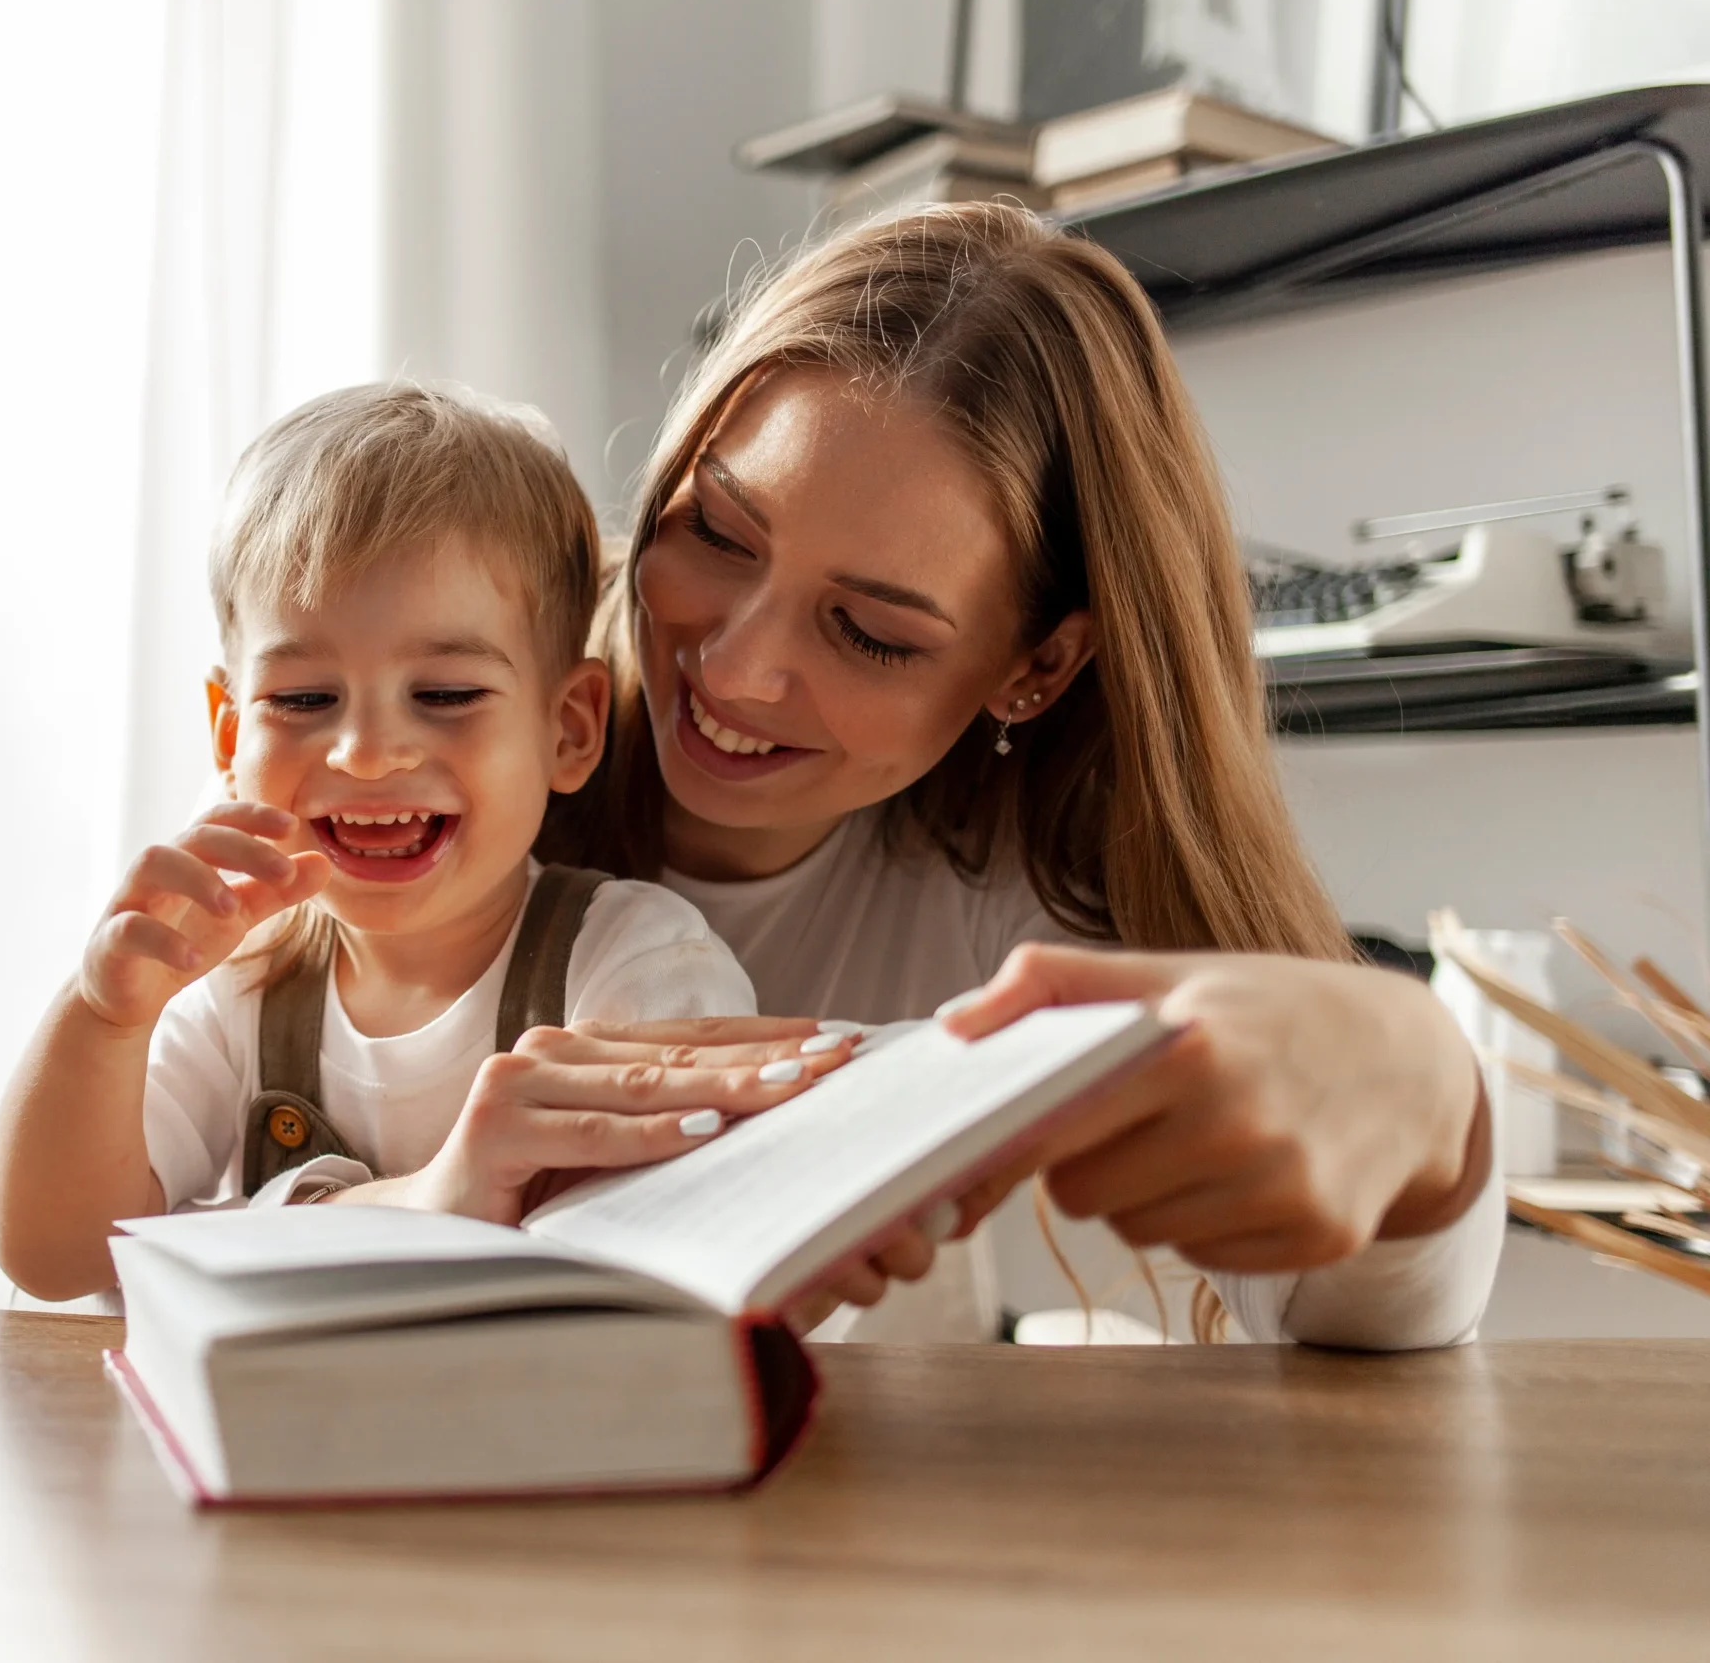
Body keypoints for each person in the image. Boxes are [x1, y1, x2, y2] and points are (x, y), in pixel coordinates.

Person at [312, 205, 1503, 1348]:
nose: (736, 667)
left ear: (1035, 669)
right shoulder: (416, 739)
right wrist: (424, 1200)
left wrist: (1428, 1093)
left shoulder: (1032, 903)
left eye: (870, 633)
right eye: (716, 536)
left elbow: (1335, 1315)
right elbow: (146, 1238)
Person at [0, 380, 822, 1306]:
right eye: (303, 699)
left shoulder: (633, 964)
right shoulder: (238, 980)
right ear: (227, 737)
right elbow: (52, 1260)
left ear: (568, 727)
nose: (367, 753)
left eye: (445, 694)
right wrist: (103, 1016)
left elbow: (650, 1285)